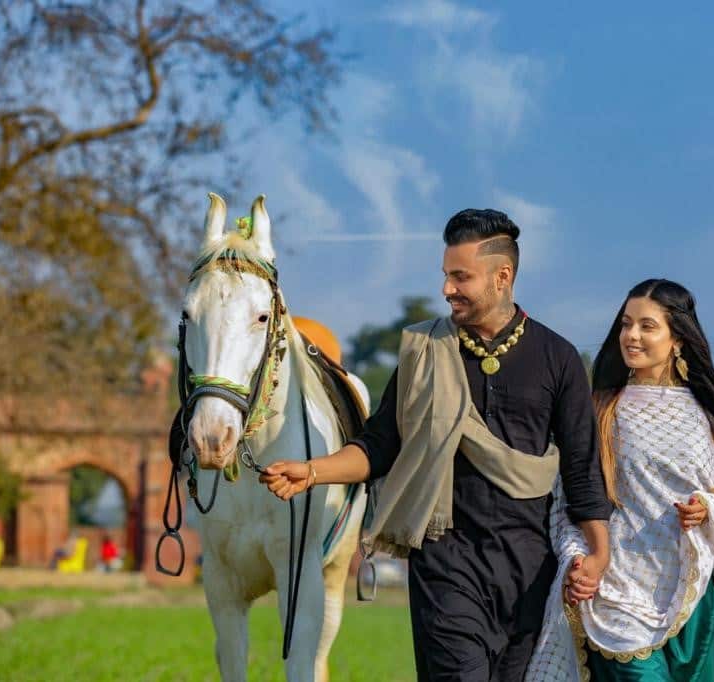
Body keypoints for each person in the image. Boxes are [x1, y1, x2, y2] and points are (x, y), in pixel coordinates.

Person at [261, 209, 612, 681]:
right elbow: (379, 444)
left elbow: (583, 469)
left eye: (460, 277)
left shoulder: (558, 358)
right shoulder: (425, 352)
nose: (447, 289)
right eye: (446, 276)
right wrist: (313, 471)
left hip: (531, 569)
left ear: (502, 277)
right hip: (445, 559)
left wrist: (598, 554)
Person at [526, 279, 714, 682]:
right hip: (617, 590)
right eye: (626, 324)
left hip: (692, 592)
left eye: (647, 326)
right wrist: (578, 558)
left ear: (678, 339)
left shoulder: (711, 418)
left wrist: (707, 508)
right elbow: (571, 501)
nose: (631, 336)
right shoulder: (601, 411)